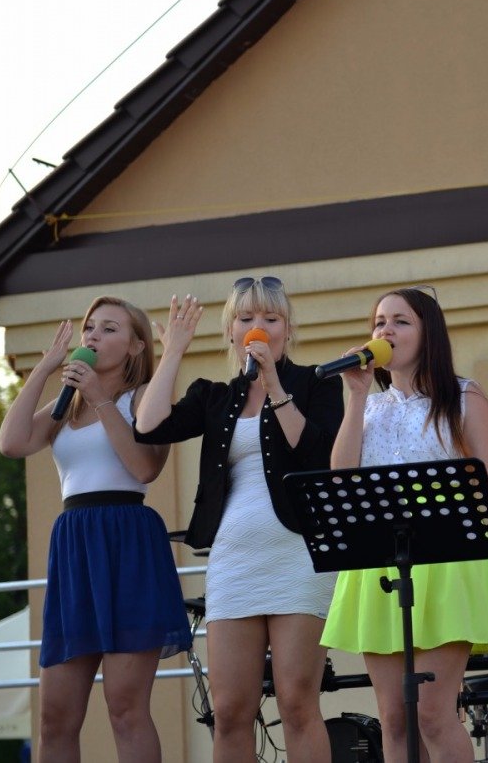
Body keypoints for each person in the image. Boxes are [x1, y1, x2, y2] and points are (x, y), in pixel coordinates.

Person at [134, 277, 343, 763]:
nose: (258, 327)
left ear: (288, 329)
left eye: (271, 318)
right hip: (234, 562)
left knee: (296, 702)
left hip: (298, 557)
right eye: (246, 318)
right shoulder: (215, 397)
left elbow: (318, 454)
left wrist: (273, 385)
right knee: (229, 711)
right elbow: (148, 426)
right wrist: (173, 352)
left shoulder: (317, 384)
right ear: (231, 331)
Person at [321, 286, 488, 763]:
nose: (386, 330)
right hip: (380, 565)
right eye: (379, 322)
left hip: (447, 562)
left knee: (433, 714)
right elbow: (341, 478)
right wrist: (355, 396)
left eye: (401, 321)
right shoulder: (369, 407)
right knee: (394, 717)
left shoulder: (463, 396)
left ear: (428, 333)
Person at [0, 297, 190, 763]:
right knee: (55, 717)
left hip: (128, 541)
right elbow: (11, 443)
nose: (93, 336)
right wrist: (45, 368)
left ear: (135, 346)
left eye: (108, 329)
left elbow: (144, 468)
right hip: (75, 548)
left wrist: (103, 400)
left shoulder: (143, 398)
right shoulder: (66, 405)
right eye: (90, 328)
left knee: (125, 710)